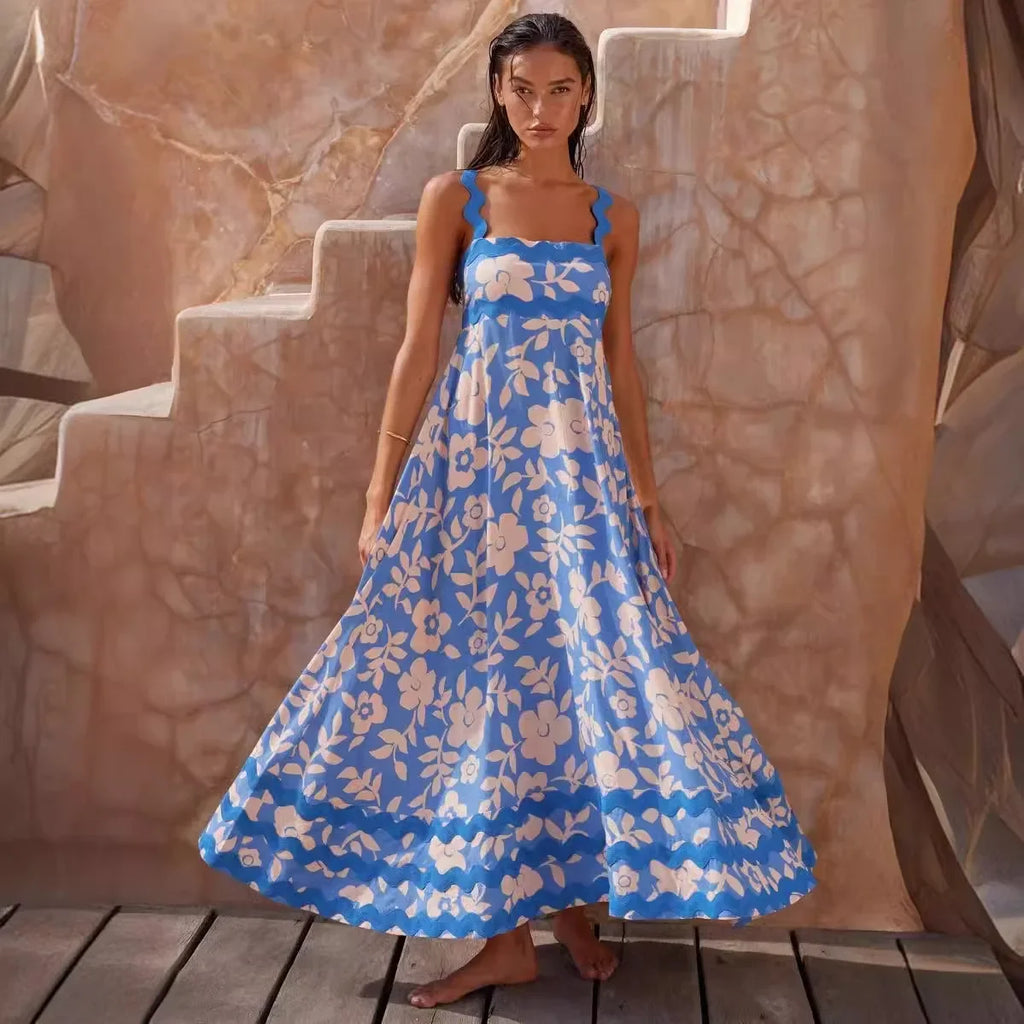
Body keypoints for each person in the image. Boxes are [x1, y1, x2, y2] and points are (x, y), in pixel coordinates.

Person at [198, 12, 818, 1010]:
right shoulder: (460, 201)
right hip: (471, 479)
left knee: (575, 673)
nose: (540, 108)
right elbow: (416, 352)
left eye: (560, 89)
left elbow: (621, 365)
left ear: (585, 97)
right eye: (521, 88)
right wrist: (378, 495)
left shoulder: (610, 216)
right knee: (473, 677)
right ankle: (508, 935)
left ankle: (559, 898)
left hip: (579, 487)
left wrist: (647, 500)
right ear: (496, 91)